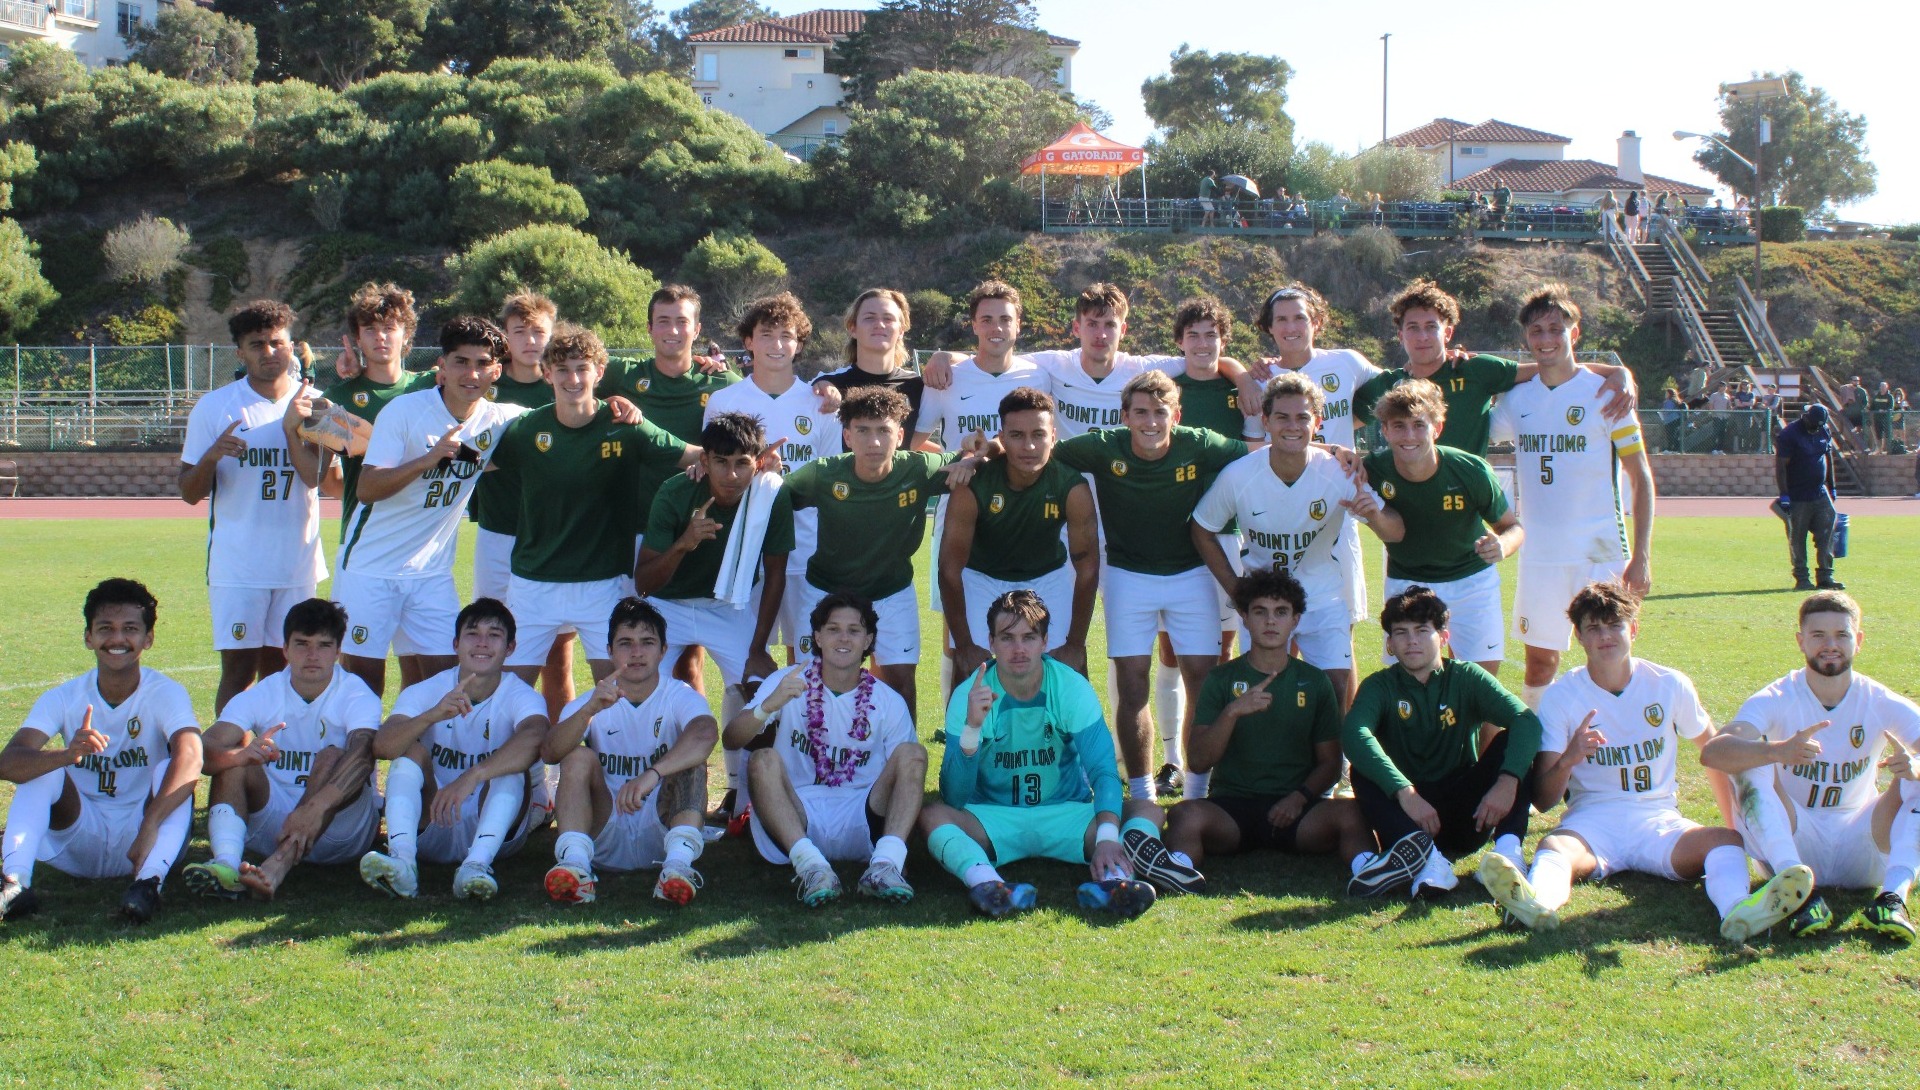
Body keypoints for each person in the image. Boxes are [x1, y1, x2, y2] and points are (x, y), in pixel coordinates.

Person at [1485, 582, 1815, 939]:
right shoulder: (1563, 696)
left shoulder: (1669, 684)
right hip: (1592, 822)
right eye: (1594, 628)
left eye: (1615, 625)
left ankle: (1738, 910)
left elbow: (1716, 754)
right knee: (1554, 848)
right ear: (1578, 636)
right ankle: (1538, 905)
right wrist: (1569, 758)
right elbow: (1544, 800)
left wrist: (1733, 823)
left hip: (1657, 820)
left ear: (1634, 629)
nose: (1606, 636)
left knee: (1726, 842)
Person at [920, 591, 1193, 917]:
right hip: (994, 817)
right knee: (933, 815)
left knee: (1146, 810)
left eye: (1029, 637)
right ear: (991, 642)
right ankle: (989, 885)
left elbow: (1103, 771)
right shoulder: (971, 693)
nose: (1018, 649)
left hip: (1066, 814)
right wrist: (971, 730)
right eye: (1007, 638)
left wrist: (1106, 836)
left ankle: (1115, 882)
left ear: (1045, 641)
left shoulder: (1070, 687)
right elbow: (954, 795)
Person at [1053, 371, 1247, 803]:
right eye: (1140, 412)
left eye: (1160, 412)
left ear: (1175, 414)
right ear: (1125, 416)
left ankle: (1199, 788)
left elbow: (1258, 452)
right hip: (1127, 574)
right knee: (1133, 680)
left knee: (1203, 676)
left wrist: (1331, 454)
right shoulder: (1104, 446)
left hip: (1191, 572)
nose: (1151, 422)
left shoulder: (1198, 442)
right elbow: (1039, 453)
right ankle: (1140, 792)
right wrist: (980, 454)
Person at [1701, 592, 1920, 943]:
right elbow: (1714, 753)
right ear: (1800, 640)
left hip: (1862, 842)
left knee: (1915, 779)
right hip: (1795, 838)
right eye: (1818, 635)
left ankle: (1892, 897)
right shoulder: (1777, 697)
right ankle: (1796, 890)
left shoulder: (1878, 699)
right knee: (1750, 760)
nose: (1830, 645)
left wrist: (1915, 766)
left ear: (1858, 641)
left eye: (1842, 635)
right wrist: (1777, 751)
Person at [488, 324, 700, 687]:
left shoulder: (626, 425)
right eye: (563, 369)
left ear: (599, 373)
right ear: (547, 373)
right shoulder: (525, 429)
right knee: (506, 692)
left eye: (582, 368)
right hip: (533, 584)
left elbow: (694, 455)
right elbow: (471, 464)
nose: (573, 378)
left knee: (620, 692)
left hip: (602, 585)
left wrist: (756, 461)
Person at [330, 317, 528, 699]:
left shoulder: (500, 418)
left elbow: (564, 413)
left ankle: (416, 760)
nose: (472, 373)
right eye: (461, 362)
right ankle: (361, 760)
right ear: (442, 367)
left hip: (431, 575)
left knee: (445, 683)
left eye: (482, 363)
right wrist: (426, 460)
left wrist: (617, 404)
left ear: (496, 371)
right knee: (362, 687)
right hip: (370, 569)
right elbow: (368, 488)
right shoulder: (404, 412)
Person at [700, 292, 844, 817]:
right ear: (748, 342)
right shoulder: (724, 402)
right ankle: (738, 787)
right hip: (743, 557)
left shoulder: (821, 403)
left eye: (787, 335)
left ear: (800, 342)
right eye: (766, 335)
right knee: (745, 668)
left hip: (806, 554)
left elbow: (829, 481)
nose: (777, 344)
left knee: (807, 665)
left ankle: (807, 773)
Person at [1193, 371, 1403, 705]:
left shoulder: (1338, 473)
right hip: (1263, 604)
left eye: (1302, 417)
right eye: (1282, 417)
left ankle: (1337, 760)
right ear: (1265, 420)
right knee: (1264, 693)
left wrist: (1375, 514)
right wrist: (1236, 590)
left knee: (1335, 689)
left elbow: (1395, 531)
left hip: (1322, 597)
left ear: (1317, 421)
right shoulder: (1240, 475)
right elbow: (1201, 528)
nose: (1292, 426)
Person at [1489, 286, 1656, 706]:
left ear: (1574, 333)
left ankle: (1607, 747)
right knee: (1540, 662)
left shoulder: (1606, 394)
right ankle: (1539, 754)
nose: (1546, 339)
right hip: (1541, 551)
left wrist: (1642, 556)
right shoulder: (1516, 400)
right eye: (1536, 331)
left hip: (1599, 549)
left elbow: (1641, 476)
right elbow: (1471, 435)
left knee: (1608, 656)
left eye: (1555, 329)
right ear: (1526, 338)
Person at [0, 579, 202, 924]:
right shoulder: (64, 697)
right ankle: (14, 884)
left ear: (148, 639)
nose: (117, 639)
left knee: (172, 766)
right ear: (88, 637)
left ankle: (148, 884)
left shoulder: (165, 692)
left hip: (142, 837)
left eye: (130, 629)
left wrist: (151, 823)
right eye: (105, 628)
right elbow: (8, 762)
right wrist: (65, 755)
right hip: (79, 838)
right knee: (43, 770)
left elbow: (193, 757)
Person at [782, 387, 987, 717]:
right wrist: (761, 472)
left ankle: (902, 760)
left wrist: (974, 457)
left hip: (891, 592)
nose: (874, 442)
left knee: (900, 681)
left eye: (884, 431)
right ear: (847, 436)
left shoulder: (918, 469)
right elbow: (773, 498)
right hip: (826, 590)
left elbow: (977, 459)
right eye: (862, 431)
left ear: (900, 435)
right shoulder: (822, 473)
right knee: (811, 683)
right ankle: (811, 763)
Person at [1163, 567, 1374, 875]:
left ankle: (1369, 871)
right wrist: (1232, 712)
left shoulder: (1315, 682)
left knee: (1353, 813)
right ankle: (1179, 872)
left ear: (1295, 620)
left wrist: (1298, 799)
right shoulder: (1222, 679)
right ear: (1245, 619)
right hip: (1233, 808)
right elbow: (1197, 761)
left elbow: (1329, 764)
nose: (1271, 621)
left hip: (1298, 810)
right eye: (1260, 612)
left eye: (1281, 612)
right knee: (1184, 814)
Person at [724, 593, 925, 906]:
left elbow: (907, 780)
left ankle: (886, 865)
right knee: (763, 760)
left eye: (854, 630)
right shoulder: (787, 681)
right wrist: (768, 706)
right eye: (833, 629)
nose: (843, 638)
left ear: (868, 639)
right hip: (797, 811)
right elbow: (731, 739)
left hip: (865, 811)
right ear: (817, 636)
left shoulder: (887, 700)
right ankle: (811, 867)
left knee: (914, 754)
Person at [1343, 587, 1541, 899]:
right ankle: (1429, 863)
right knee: (1362, 770)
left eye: (1422, 631)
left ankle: (1508, 854)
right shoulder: (1380, 685)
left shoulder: (1466, 677)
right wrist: (1405, 792)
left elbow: (1527, 721)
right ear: (1390, 644)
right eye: (1401, 633)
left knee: (1513, 742)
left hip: (1467, 813)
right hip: (1409, 816)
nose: (1411, 641)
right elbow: (1354, 733)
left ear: (1443, 637)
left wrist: (1507, 781)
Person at [180, 300, 327, 714]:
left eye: (276, 342)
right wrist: (211, 456)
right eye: (257, 344)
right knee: (239, 672)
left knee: (284, 672)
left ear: (293, 347)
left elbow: (316, 478)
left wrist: (294, 430)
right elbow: (189, 492)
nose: (268, 352)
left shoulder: (316, 404)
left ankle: (273, 765)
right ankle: (231, 764)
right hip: (238, 567)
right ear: (240, 352)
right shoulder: (216, 406)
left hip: (296, 565)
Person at [180, 598, 381, 902]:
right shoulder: (267, 691)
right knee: (235, 759)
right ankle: (226, 864)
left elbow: (364, 756)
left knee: (332, 756)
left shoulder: (355, 693)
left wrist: (311, 810)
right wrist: (239, 756)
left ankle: (280, 865)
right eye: (302, 644)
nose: (312, 655)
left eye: (324, 645)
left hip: (341, 830)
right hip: (273, 824)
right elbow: (205, 749)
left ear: (339, 652)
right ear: (284, 649)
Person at [1246, 283, 1385, 699]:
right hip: (1277, 520)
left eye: (1300, 317)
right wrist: (1332, 446)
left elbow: (1403, 388)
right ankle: (1287, 737)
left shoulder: (1347, 363)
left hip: (1336, 515)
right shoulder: (1261, 378)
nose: (1292, 327)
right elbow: (1257, 446)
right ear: (1269, 328)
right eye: (1282, 319)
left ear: (1318, 322)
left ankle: (1343, 752)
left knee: (1339, 637)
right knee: (1275, 637)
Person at [361, 598, 550, 901]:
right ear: (456, 644)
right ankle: (403, 861)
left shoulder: (520, 694)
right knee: (409, 755)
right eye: (473, 634)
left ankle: (477, 865)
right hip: (433, 819)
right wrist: (431, 715)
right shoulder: (427, 691)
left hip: (497, 831)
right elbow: (384, 745)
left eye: (494, 635)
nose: (482, 643)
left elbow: (537, 737)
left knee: (511, 767)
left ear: (510, 648)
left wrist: (473, 776)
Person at [541, 598, 717, 906]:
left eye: (647, 642)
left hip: (662, 827)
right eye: (625, 643)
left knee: (692, 761)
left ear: (663, 650)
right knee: (577, 756)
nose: (636, 653)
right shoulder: (591, 700)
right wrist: (589, 711)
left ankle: (677, 867)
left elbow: (706, 734)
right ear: (609, 651)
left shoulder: (678, 695)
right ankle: (576, 866)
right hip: (604, 826)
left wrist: (652, 774)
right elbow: (549, 752)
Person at [633, 411, 791, 741]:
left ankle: (741, 786)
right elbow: (644, 584)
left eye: (742, 463)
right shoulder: (676, 492)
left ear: (758, 463)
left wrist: (759, 647)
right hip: (667, 607)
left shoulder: (770, 495)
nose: (732, 474)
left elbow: (776, 574)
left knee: (762, 696)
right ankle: (655, 779)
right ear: (704, 460)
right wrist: (683, 544)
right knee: (640, 695)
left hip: (727, 607)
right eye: (721, 462)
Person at [1350, 279, 1636, 459]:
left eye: (1431, 327)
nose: (1422, 336)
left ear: (1447, 333)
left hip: (1467, 514)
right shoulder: (1387, 385)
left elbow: (1551, 367)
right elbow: (1342, 422)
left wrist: (1618, 373)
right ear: (1400, 336)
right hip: (1406, 511)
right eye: (1413, 328)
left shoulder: (1476, 369)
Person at [1364, 380, 1522, 675]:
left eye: (1418, 425)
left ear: (1437, 428)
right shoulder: (1373, 469)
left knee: (1481, 688)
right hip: (1407, 585)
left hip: (1471, 583)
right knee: (1410, 686)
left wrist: (1502, 545)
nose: (1409, 435)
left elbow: (1513, 528)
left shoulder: (1471, 470)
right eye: (1398, 426)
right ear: (1384, 430)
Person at [939, 386, 1098, 679]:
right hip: (982, 576)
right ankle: (962, 727)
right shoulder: (974, 485)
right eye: (1017, 435)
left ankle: (1069, 727)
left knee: (1070, 670)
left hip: (1047, 575)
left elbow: (1087, 570)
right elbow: (950, 569)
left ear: (1053, 436)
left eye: (1038, 434)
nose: (1029, 446)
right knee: (972, 670)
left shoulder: (1072, 487)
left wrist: (1076, 644)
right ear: (1003, 438)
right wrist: (963, 645)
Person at [472, 292, 574, 720]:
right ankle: (490, 746)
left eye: (539, 332)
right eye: (520, 331)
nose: (531, 340)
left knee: (557, 657)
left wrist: (710, 362)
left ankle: (555, 762)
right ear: (504, 338)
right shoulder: (485, 386)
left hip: (557, 537)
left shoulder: (570, 381)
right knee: (490, 647)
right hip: (500, 531)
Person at [817, 287, 925, 439]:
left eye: (888, 318)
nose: (879, 324)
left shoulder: (918, 387)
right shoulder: (829, 386)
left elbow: (918, 444)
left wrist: (944, 358)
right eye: (869, 318)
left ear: (901, 331)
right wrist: (821, 384)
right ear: (852, 328)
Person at [1775, 403, 1844, 591]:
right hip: (1798, 495)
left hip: (1820, 493)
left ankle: (1825, 576)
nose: (1816, 429)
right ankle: (1802, 578)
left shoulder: (1823, 430)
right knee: (1797, 537)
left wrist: (1832, 486)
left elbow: (1827, 458)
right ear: (1806, 417)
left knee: (1827, 534)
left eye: (1819, 426)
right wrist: (1784, 495)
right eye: (1814, 425)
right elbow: (1781, 467)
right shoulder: (1790, 435)